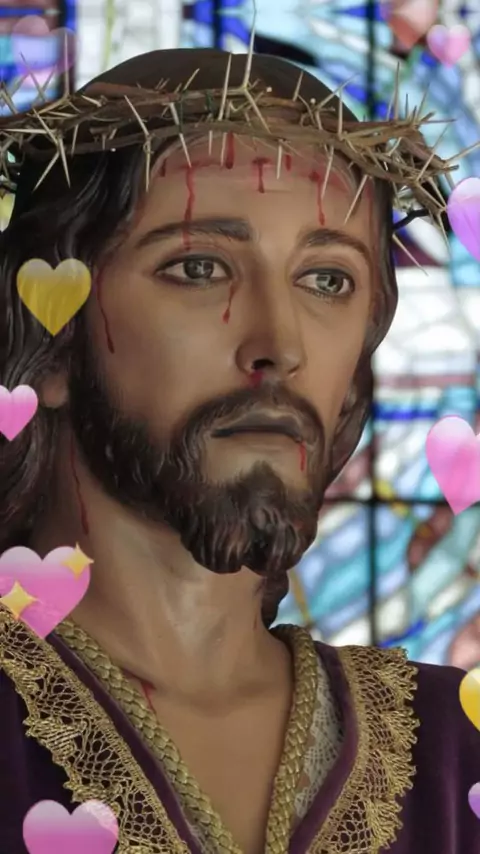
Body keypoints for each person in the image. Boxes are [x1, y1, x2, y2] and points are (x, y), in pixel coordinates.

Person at [0, 47, 479, 854]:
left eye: (327, 280)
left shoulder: (454, 752)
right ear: (52, 337)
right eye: (200, 267)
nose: (279, 346)